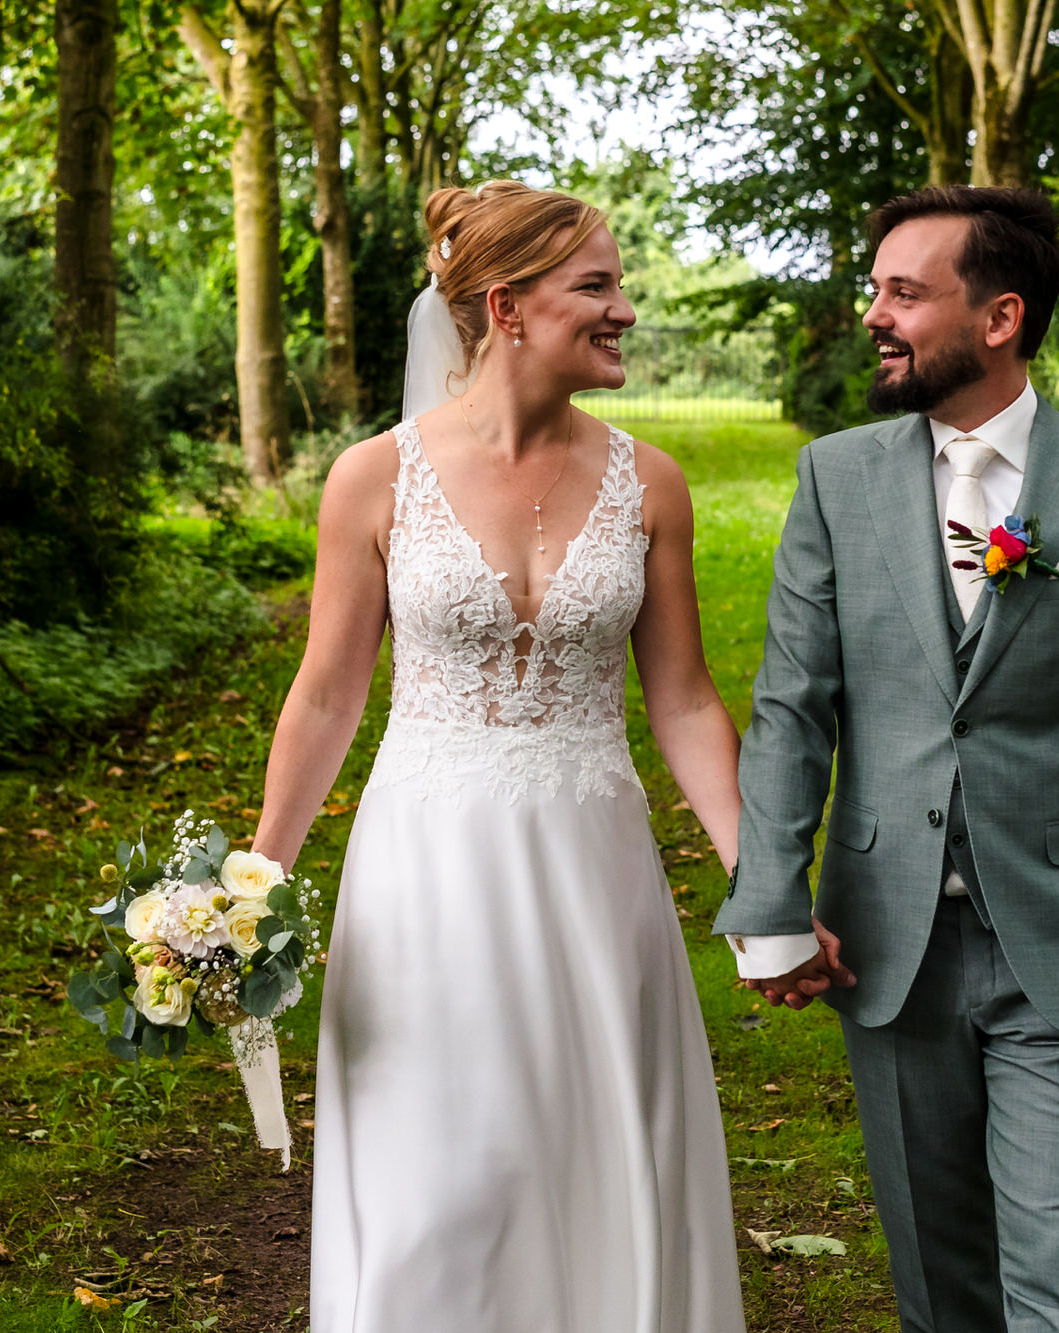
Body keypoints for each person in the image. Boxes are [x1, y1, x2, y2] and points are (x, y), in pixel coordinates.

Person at [712, 185, 1059, 1333]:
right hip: (889, 950)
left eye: (904, 293)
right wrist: (769, 901)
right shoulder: (835, 478)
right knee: (939, 1289)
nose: (874, 314)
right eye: (875, 288)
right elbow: (790, 709)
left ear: (998, 317)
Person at [249, 181, 747, 1333]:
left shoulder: (650, 483)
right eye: (598, 286)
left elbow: (678, 700)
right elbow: (328, 693)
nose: (624, 308)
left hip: (592, 869)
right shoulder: (372, 478)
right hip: (425, 874)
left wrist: (756, 872)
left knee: (596, 1147)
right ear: (506, 306)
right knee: (442, 1178)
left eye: (618, 284)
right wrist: (254, 883)